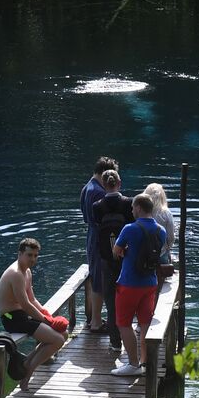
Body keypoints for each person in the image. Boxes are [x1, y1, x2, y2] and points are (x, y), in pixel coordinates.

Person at [0, 238, 65, 390]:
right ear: (20, 254)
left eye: (35, 255)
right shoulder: (16, 273)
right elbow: (26, 304)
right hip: (11, 318)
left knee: (62, 334)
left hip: (21, 315)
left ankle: (27, 362)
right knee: (57, 340)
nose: (33, 259)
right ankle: (27, 374)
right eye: (29, 255)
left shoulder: (27, 271)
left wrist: (46, 314)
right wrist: (46, 321)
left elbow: (32, 300)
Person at [110, 194, 167, 377]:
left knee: (124, 324)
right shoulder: (161, 231)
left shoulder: (129, 228)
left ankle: (133, 364)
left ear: (140, 208)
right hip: (150, 283)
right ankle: (144, 361)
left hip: (129, 283)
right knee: (144, 323)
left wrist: (124, 251)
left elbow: (116, 252)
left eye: (133, 207)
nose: (132, 210)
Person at [92, 170, 134, 352]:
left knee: (110, 301)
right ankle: (130, 337)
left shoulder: (96, 206)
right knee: (128, 299)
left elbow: (96, 228)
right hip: (127, 258)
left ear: (103, 184)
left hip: (106, 258)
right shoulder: (129, 203)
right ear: (119, 182)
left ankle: (115, 343)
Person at [79, 156, 118, 330]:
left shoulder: (87, 187)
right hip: (100, 240)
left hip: (92, 237)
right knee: (100, 280)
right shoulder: (99, 192)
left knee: (97, 277)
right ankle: (96, 322)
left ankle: (96, 319)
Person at [142, 182, 177, 265]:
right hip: (161, 254)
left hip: (143, 254)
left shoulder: (141, 212)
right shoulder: (166, 213)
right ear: (162, 196)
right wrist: (167, 248)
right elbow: (171, 238)